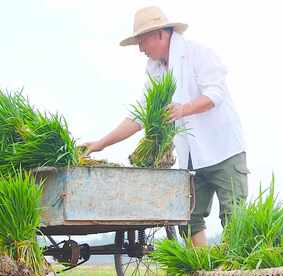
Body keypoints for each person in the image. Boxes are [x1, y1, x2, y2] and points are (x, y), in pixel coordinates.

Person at [83, 6, 248, 246]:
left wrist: (183, 109)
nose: (140, 49)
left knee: (234, 217)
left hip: (223, 150)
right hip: (192, 157)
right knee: (189, 219)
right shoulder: (155, 69)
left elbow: (215, 94)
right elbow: (140, 115)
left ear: (159, 34)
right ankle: (205, 275)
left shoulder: (198, 54)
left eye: (142, 41)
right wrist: (100, 144)